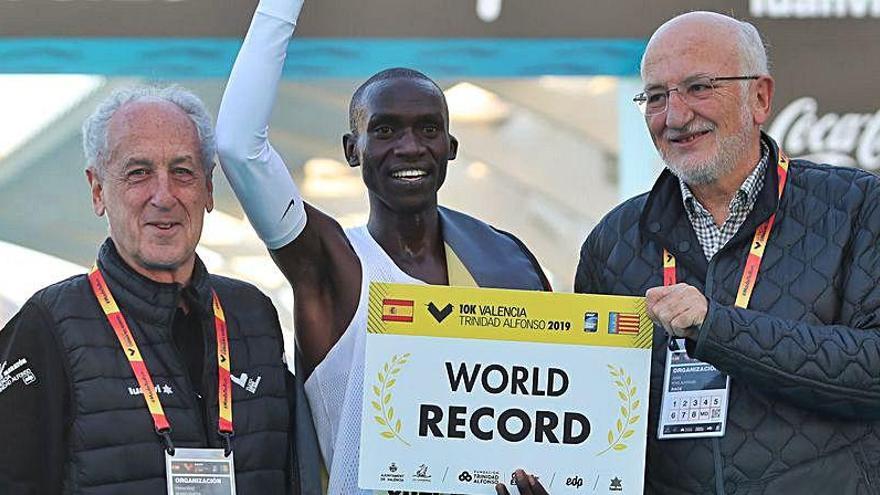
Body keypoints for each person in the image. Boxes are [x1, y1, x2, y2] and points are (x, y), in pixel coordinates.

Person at [215, 0, 551, 493]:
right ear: (353, 149)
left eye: (428, 129)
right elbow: (238, 146)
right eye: (386, 129)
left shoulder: (506, 260)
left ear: (451, 148)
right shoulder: (333, 265)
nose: (410, 146)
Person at [575, 11, 880, 494]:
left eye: (699, 87)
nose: (674, 116)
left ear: (759, 98)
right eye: (656, 96)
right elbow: (592, 410)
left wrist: (717, 327)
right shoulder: (612, 242)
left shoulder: (859, 206)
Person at [0, 86, 317, 494]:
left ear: (208, 189)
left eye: (183, 172)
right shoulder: (49, 323)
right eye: (139, 173)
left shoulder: (252, 314)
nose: (163, 196)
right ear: (98, 191)